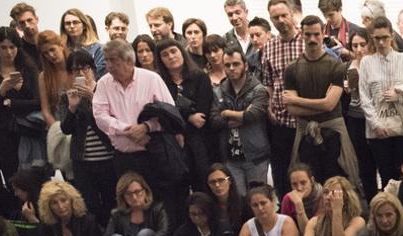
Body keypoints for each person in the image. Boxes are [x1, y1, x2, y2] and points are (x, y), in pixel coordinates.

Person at [92, 39, 181, 223]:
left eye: (114, 61)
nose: (109, 66)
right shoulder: (103, 84)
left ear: (129, 61)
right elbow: (100, 117)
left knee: (161, 206)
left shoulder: (151, 79)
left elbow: (170, 114)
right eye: (107, 60)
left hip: (153, 155)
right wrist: (127, 130)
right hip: (124, 158)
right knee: (132, 210)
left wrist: (146, 127)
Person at [285, 15, 356, 187]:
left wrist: (297, 100)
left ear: (323, 33)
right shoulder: (292, 68)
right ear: (301, 34)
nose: (312, 39)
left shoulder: (336, 66)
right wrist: (321, 105)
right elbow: (292, 110)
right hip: (305, 135)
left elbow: (330, 104)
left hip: (334, 134)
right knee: (307, 185)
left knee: (340, 184)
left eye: (316, 34)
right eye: (308, 34)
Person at [358, 17, 403, 191]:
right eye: (376, 38)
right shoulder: (366, 62)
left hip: (402, 128)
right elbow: (364, 97)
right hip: (378, 130)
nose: (381, 42)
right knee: (386, 177)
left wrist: (400, 95)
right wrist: (375, 124)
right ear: (372, 38)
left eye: (384, 37)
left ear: (392, 36)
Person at [61, 48, 115, 230]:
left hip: (108, 157)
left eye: (85, 67)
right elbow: (65, 129)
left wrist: (93, 98)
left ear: (93, 68)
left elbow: (111, 121)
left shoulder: (105, 89)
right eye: (75, 70)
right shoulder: (67, 96)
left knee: (111, 200)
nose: (81, 72)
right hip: (83, 160)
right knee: (90, 204)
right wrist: (72, 107)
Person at [0, 27, 43, 183]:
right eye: (3, 47)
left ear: (18, 47)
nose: (8, 52)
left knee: (36, 179)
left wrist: (12, 100)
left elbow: (39, 102)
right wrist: (2, 89)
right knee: (13, 180)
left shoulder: (28, 67)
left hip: (30, 131)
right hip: (4, 136)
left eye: (12, 47)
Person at [156, 38, 215, 192]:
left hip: (199, 141)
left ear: (182, 52)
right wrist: (188, 115)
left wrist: (177, 113)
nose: (170, 56)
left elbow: (200, 119)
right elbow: (161, 113)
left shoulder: (199, 77)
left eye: (173, 51)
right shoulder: (159, 82)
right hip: (173, 144)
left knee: (202, 185)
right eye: (165, 54)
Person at [260, 0, 304, 201]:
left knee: (306, 170)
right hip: (281, 121)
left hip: (306, 119)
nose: (281, 21)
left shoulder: (307, 41)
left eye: (284, 15)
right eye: (275, 18)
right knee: (281, 172)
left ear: (292, 14)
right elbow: (267, 81)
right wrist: (269, 105)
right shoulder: (269, 47)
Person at [212, 47, 270, 194]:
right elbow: (214, 119)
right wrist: (240, 116)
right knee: (238, 202)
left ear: (245, 65)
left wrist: (226, 112)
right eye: (227, 65)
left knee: (258, 198)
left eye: (236, 64)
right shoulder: (218, 90)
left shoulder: (258, 89)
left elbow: (254, 114)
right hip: (230, 157)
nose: (231, 68)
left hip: (255, 155)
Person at [343, 30, 377, 200]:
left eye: (362, 45)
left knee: (380, 159)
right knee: (364, 163)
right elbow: (345, 92)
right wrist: (347, 88)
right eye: (355, 45)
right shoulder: (347, 66)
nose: (359, 49)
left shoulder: (376, 63)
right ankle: (371, 201)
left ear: (369, 44)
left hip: (376, 116)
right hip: (355, 118)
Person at [204, 163, 249, 233]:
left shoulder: (245, 203)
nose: (217, 185)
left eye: (221, 180)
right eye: (212, 182)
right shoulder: (205, 207)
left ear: (230, 180)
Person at [60, 8, 106, 76]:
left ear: (84, 25)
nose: (72, 26)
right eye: (68, 23)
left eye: (75, 22)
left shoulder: (98, 48)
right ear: (64, 27)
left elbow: (99, 73)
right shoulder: (62, 50)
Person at [280, 163, 323, 234]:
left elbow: (313, 232)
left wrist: (299, 205)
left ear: (312, 181)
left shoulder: (322, 196)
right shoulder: (288, 199)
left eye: (303, 183)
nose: (299, 188)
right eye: (294, 184)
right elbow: (287, 230)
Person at [224, 0, 258, 64]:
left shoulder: (260, 34)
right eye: (230, 15)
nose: (234, 18)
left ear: (246, 12)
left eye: (238, 13)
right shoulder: (225, 40)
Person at [9, 3, 42, 68]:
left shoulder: (51, 42)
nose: (27, 25)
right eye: (22, 22)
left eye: (29, 20)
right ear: (18, 26)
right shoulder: (17, 50)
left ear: (37, 19)